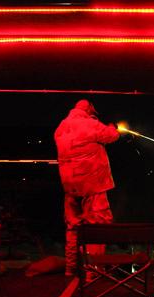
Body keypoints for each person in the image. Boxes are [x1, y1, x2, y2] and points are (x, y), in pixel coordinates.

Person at [54, 99, 120, 276]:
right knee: (97, 225)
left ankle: (71, 268)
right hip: (92, 183)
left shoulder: (61, 127)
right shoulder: (89, 123)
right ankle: (93, 270)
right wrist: (113, 127)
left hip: (70, 184)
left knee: (73, 226)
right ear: (89, 110)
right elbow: (111, 136)